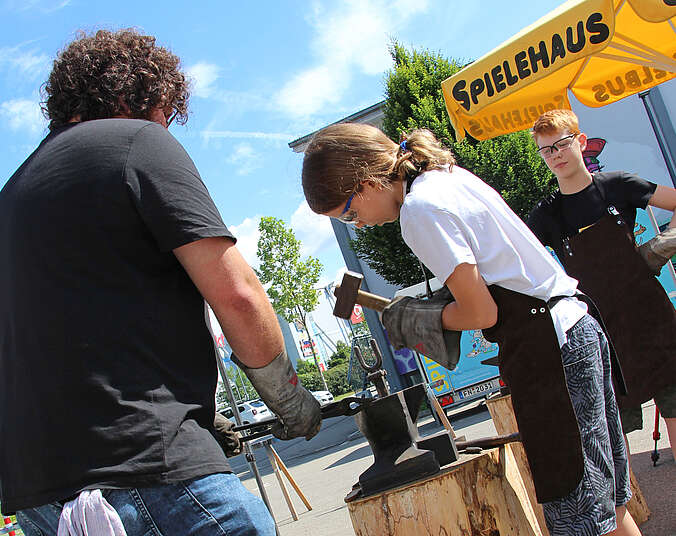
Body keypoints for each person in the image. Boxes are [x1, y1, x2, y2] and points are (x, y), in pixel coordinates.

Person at [0, 29, 321, 536]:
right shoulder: (137, 142)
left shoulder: (11, 195)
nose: (167, 129)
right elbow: (237, 296)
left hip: (41, 497)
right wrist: (289, 399)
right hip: (151, 471)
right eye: (167, 115)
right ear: (135, 95)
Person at [301, 123, 641, 536]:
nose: (360, 224)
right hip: (577, 327)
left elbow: (481, 312)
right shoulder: (446, 176)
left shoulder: (418, 210)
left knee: (582, 519)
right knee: (608, 507)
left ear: (367, 180)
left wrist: (419, 318)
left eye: (350, 213)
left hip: (551, 348)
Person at [527, 109, 676, 463]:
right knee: (612, 438)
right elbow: (517, 260)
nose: (556, 155)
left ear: (580, 141)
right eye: (546, 150)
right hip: (600, 334)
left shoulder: (617, 185)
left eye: (561, 144)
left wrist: (661, 245)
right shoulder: (547, 215)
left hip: (651, 319)